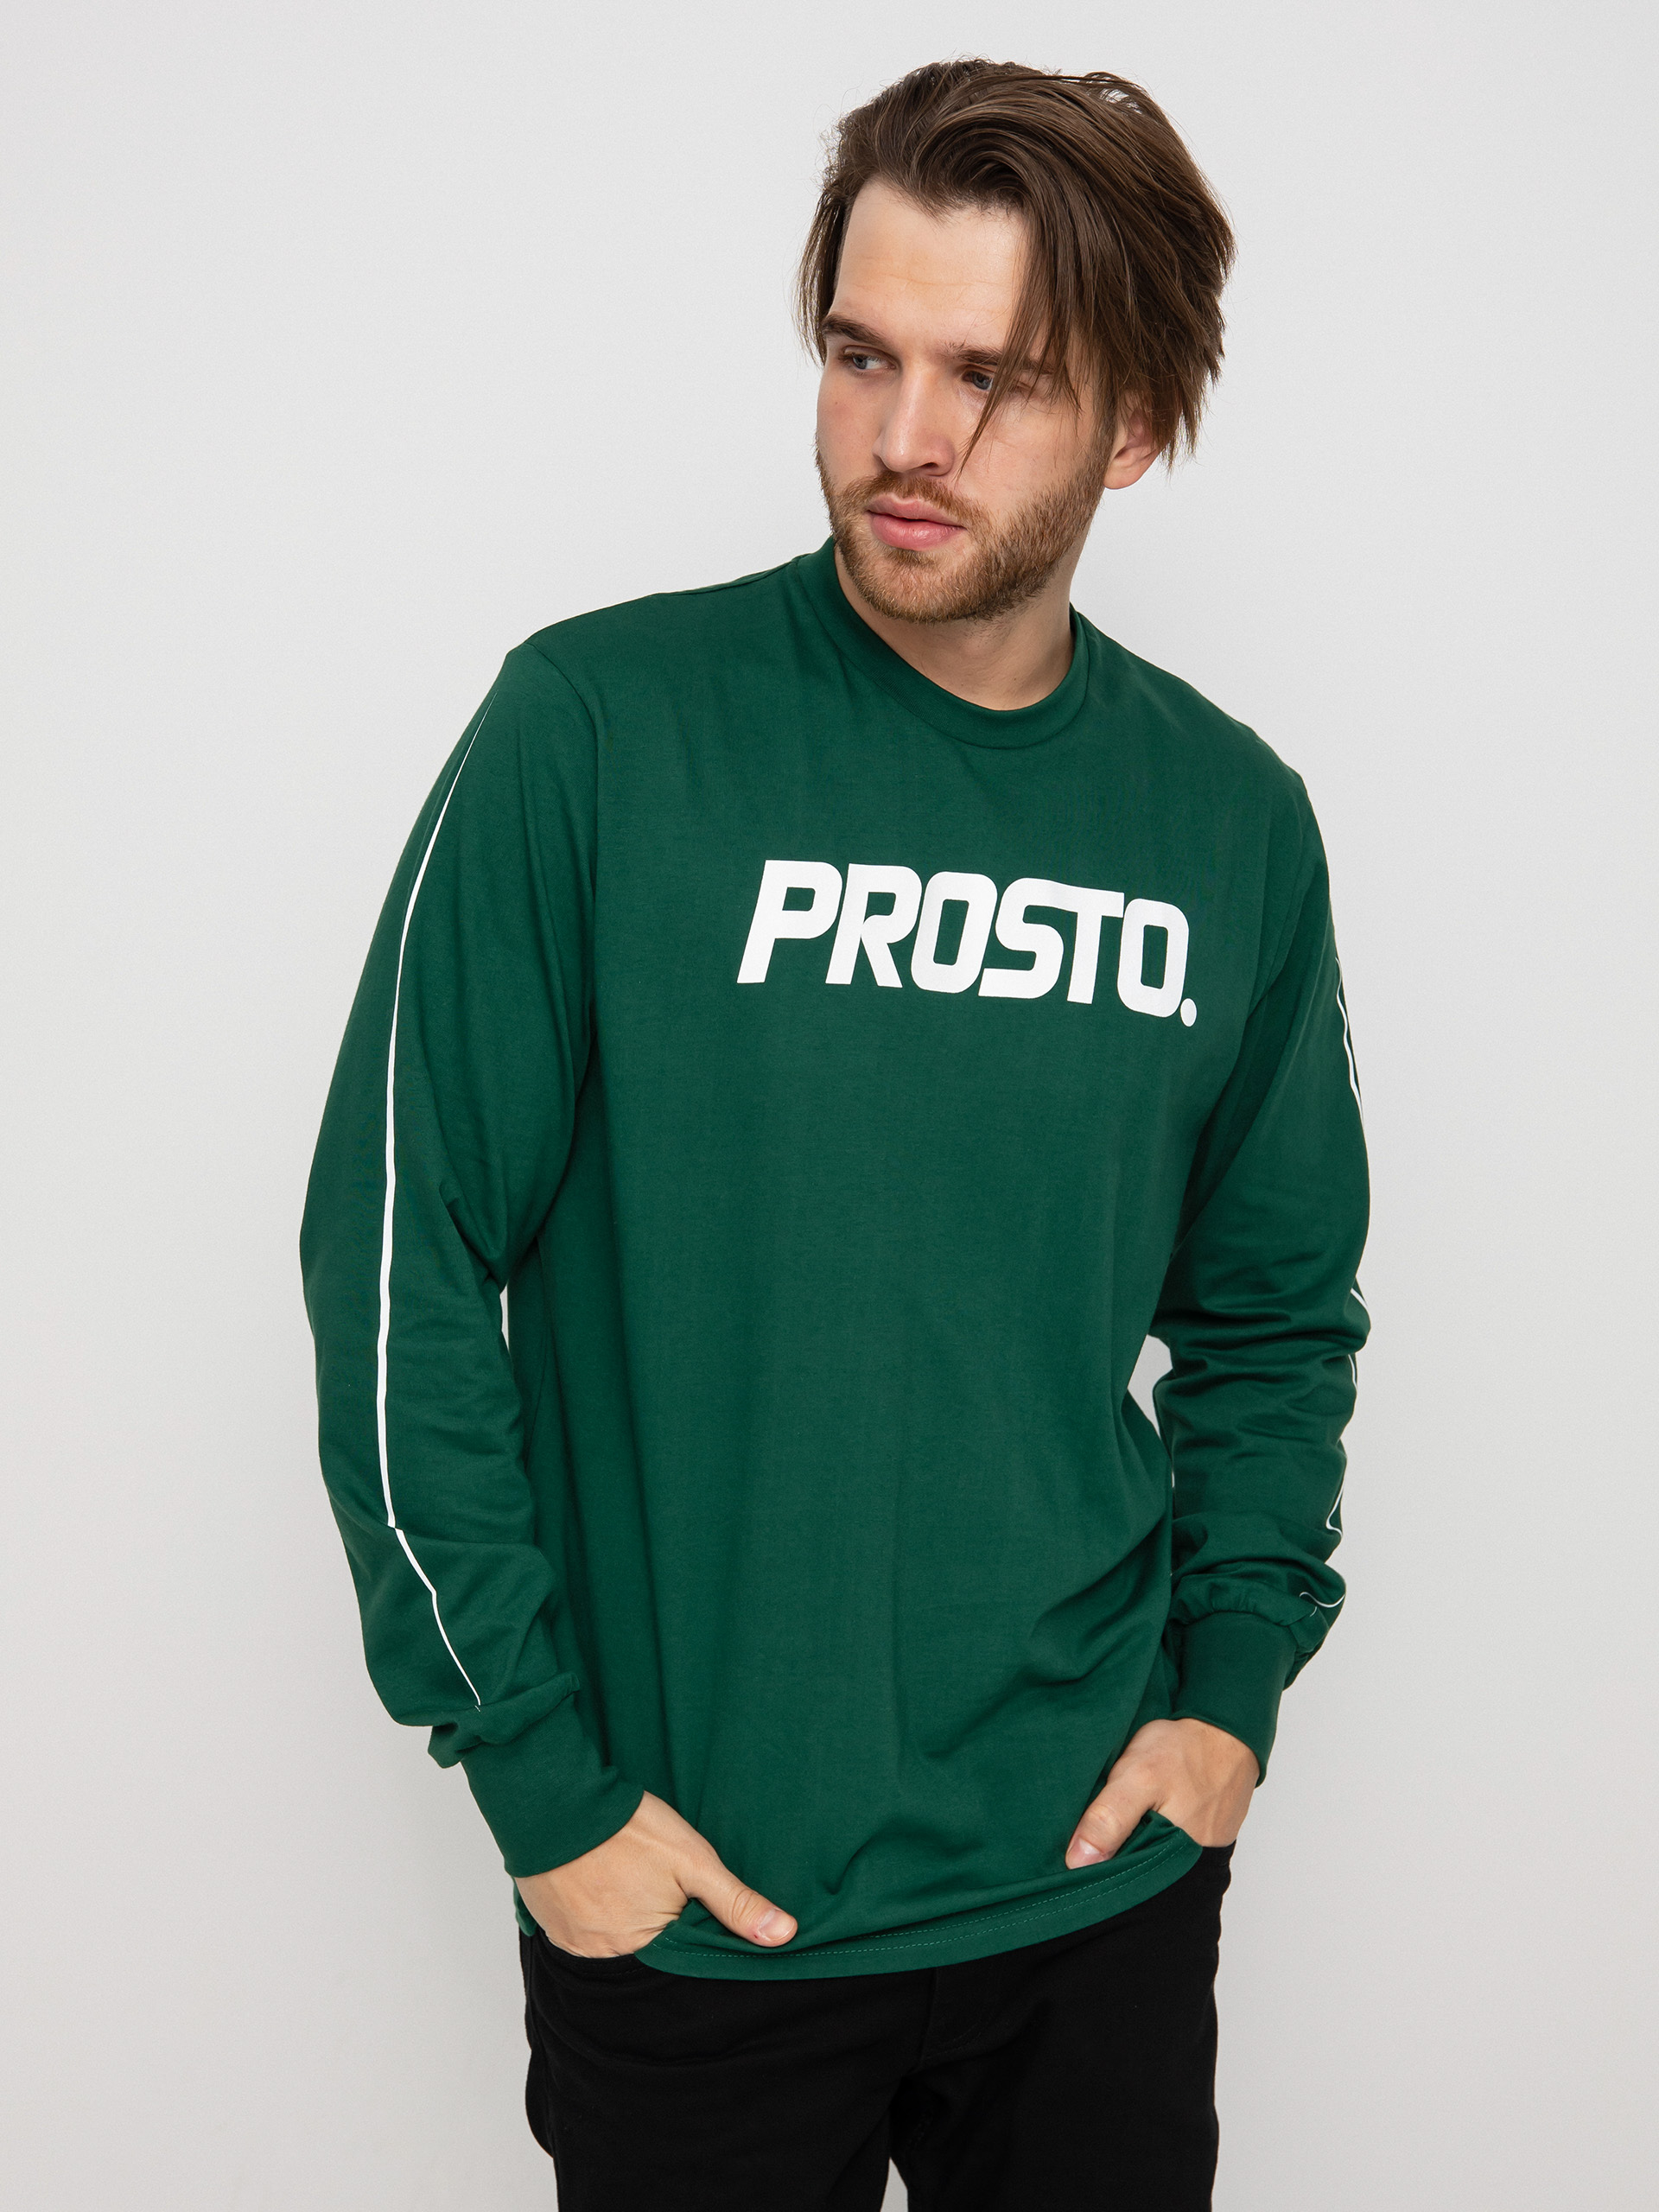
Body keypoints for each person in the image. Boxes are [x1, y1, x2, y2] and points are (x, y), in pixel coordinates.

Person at [301, 58, 1369, 2211]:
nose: (906, 435)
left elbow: (1273, 1314)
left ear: (1135, 424)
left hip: (1095, 1897)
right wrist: (542, 1783)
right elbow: (400, 1257)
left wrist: (1228, 1695)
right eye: (865, 353)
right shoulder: (596, 732)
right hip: (699, 1908)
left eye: (996, 379)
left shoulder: (1228, 820)